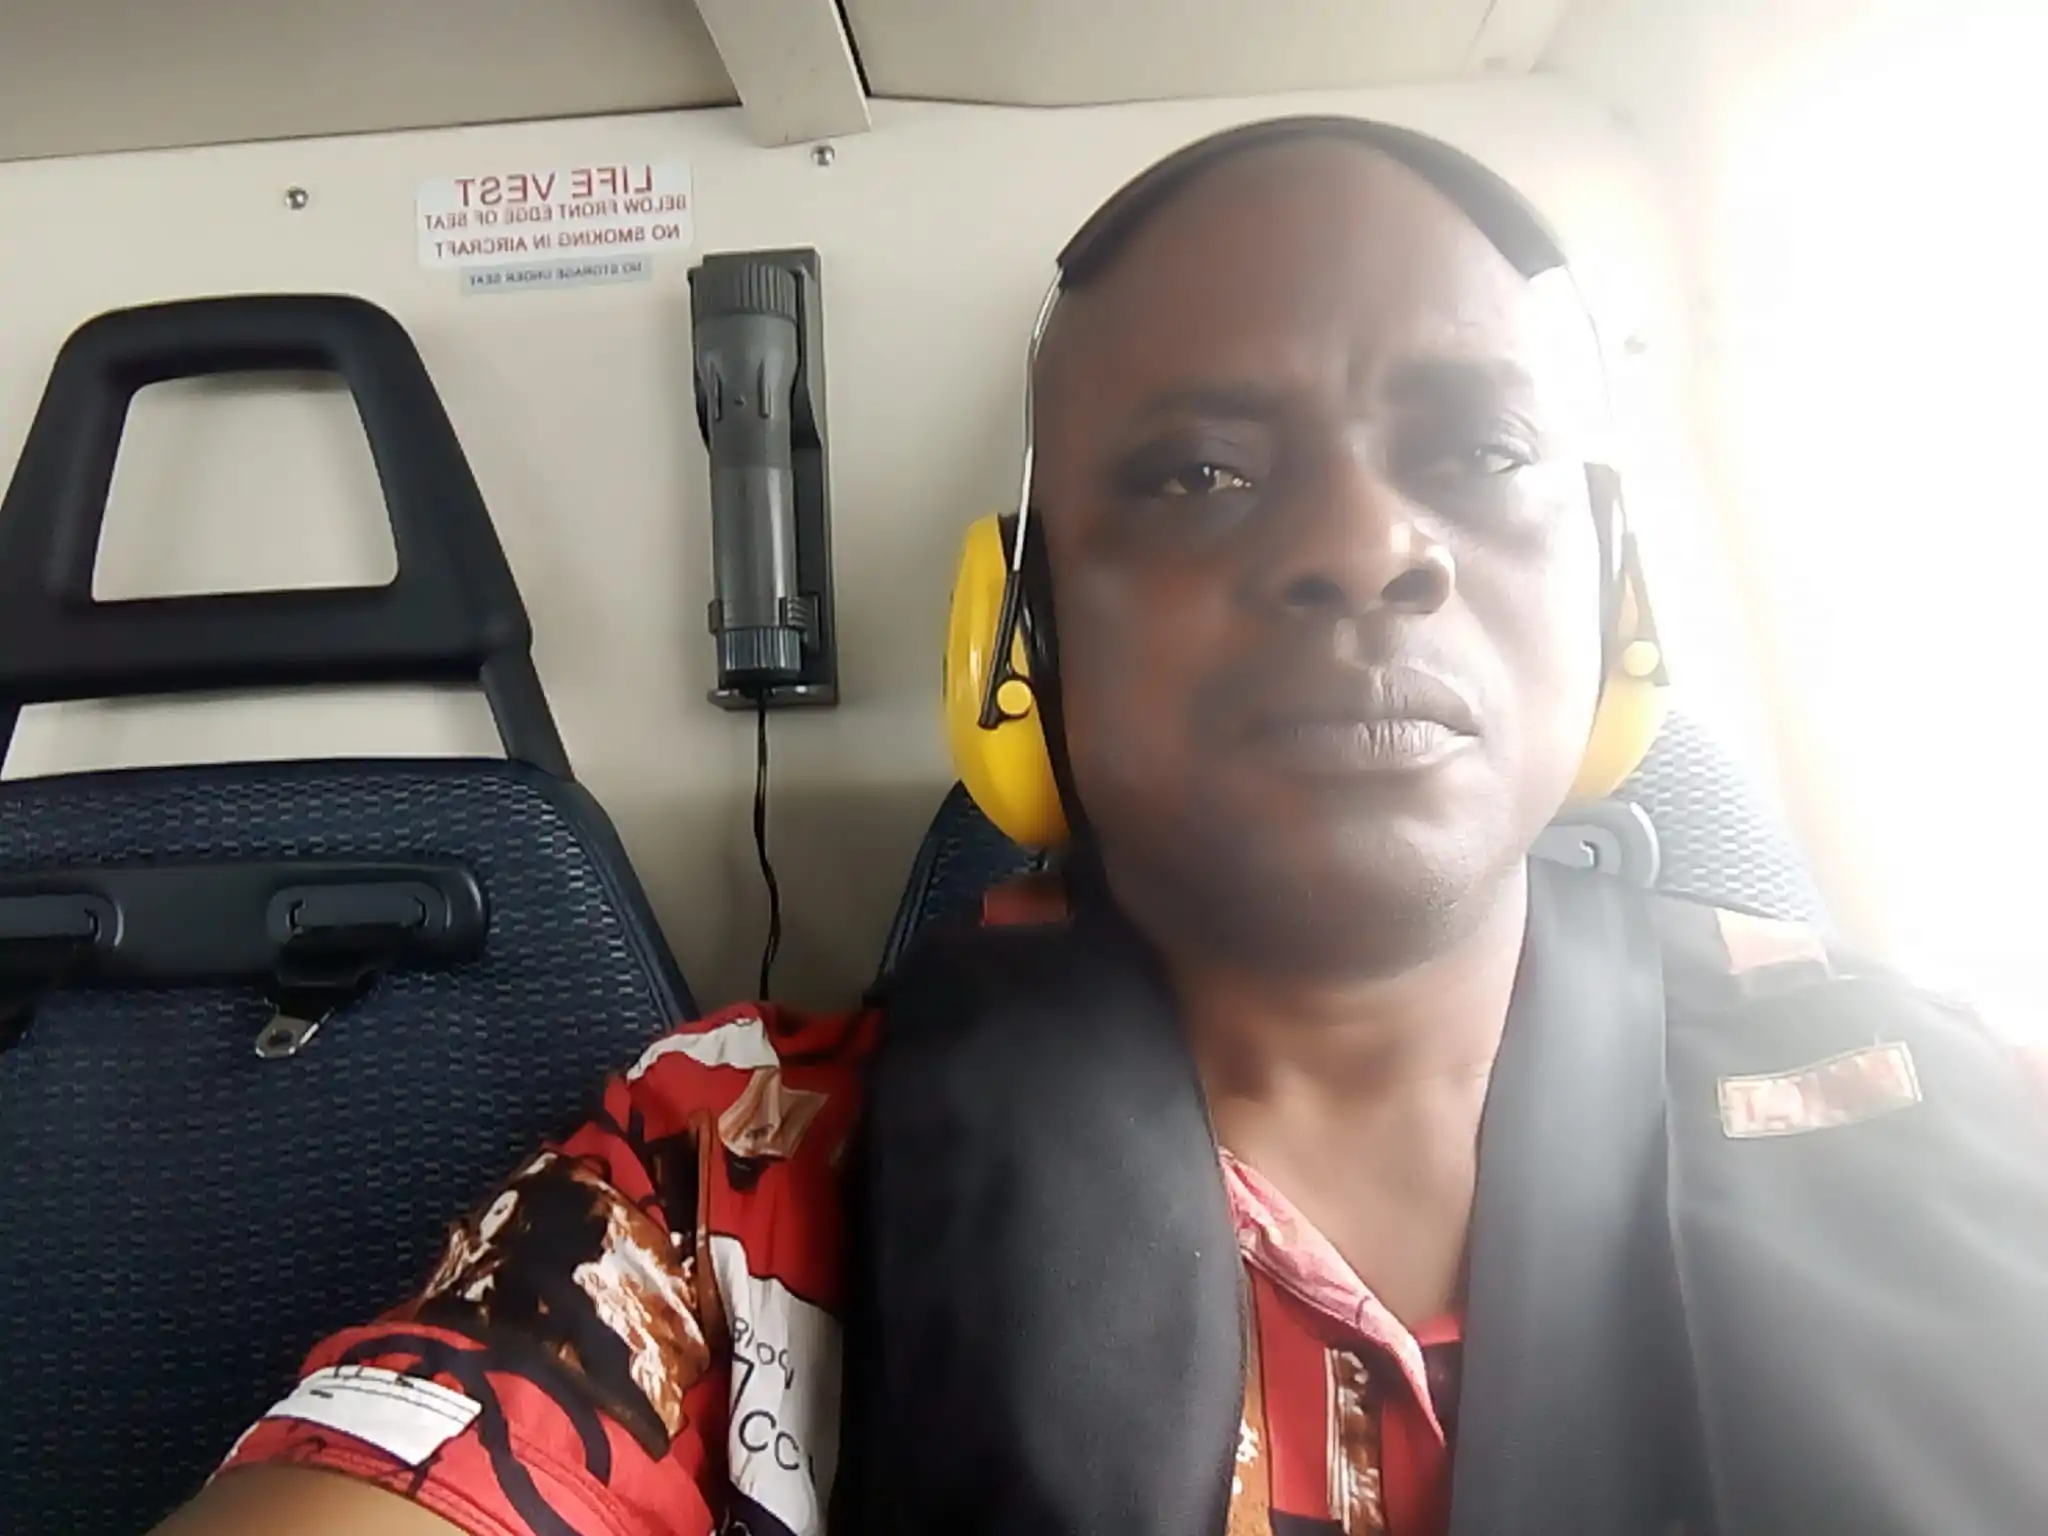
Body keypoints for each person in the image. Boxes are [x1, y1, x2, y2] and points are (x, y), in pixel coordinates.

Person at [159, 119, 2048, 1536]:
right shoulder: (737, 1170)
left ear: (1614, 601)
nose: (1364, 547)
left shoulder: (1950, 1105)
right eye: (1199, 474)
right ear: (1026, 640)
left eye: (1480, 455)